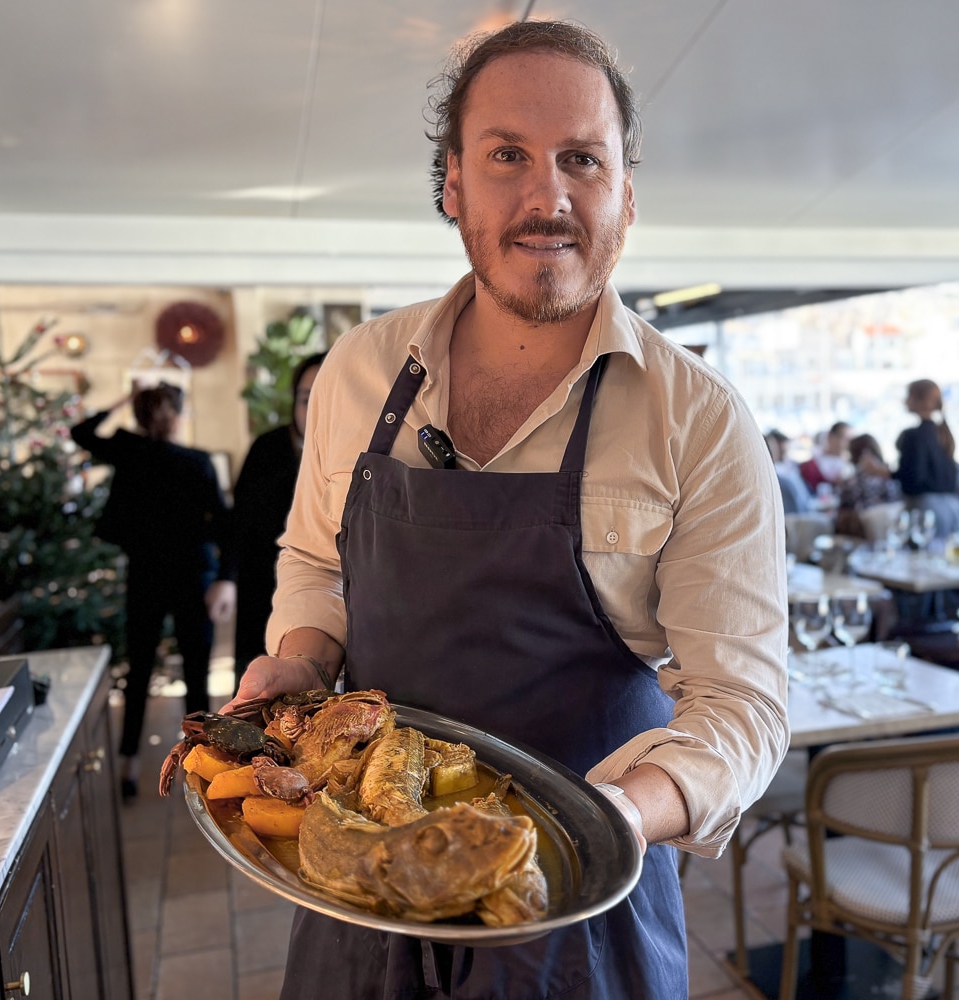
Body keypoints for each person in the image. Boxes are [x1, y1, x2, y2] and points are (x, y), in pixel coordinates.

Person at [225, 20, 788, 999]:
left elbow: (742, 705)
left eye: (582, 158)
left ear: (626, 191)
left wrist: (612, 817)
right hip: (365, 882)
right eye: (507, 156)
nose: (548, 196)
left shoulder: (697, 419)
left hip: (574, 897)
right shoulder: (361, 373)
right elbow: (315, 565)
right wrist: (301, 663)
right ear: (452, 184)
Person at [72, 383, 235, 801]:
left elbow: (81, 432)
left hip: (146, 576)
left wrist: (122, 401)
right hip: (192, 575)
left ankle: (129, 765)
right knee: (196, 674)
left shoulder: (129, 453)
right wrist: (225, 577)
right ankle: (204, 766)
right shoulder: (197, 462)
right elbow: (225, 526)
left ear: (141, 418)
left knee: (139, 671)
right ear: (177, 415)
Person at [229, 352, 325, 688]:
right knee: (255, 684)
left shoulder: (360, 456)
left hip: (326, 598)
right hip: (262, 586)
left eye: (323, 397)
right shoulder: (267, 448)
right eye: (304, 399)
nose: (312, 409)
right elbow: (239, 521)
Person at [895, 378, 959, 536]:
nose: (906, 400)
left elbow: (913, 478)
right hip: (951, 509)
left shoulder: (915, 435)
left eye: (909, 395)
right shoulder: (942, 432)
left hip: (924, 511)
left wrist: (884, 473)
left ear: (920, 400)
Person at [766, 429, 815, 514]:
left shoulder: (790, 470)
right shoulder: (781, 477)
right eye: (781, 451)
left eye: (785, 452)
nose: (783, 456)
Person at [799, 421, 852, 497]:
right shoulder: (811, 464)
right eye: (842, 437)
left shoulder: (850, 464)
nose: (846, 443)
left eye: (849, 439)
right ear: (830, 436)